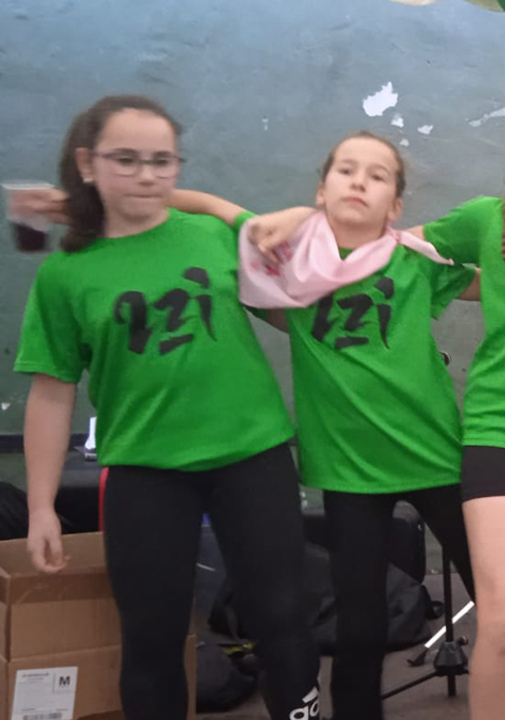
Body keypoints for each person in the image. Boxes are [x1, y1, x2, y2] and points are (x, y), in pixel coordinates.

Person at [174, 130, 505, 720]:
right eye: (346, 170)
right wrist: (111, 197)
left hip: (437, 455)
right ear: (321, 188)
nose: (359, 181)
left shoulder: (415, 262)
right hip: (350, 471)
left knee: (499, 597)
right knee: (359, 626)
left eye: (377, 175)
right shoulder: (284, 260)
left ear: (396, 205)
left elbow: (502, 282)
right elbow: (210, 207)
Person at [16, 95, 320, 720]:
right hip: (145, 472)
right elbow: (51, 392)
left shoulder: (213, 235)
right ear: (87, 163)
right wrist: (41, 505)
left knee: (283, 621)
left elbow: (298, 315)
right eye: (126, 160)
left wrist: (309, 227)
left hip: (253, 457)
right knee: (151, 640)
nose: (147, 175)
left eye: (162, 160)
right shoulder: (66, 275)